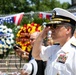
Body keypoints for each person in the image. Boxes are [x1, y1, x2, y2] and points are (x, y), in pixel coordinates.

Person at [32, 8, 76, 75]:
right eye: (51, 26)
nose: (51, 30)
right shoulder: (54, 49)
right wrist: (41, 36)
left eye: (55, 26)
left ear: (68, 29)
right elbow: (36, 54)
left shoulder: (74, 51)